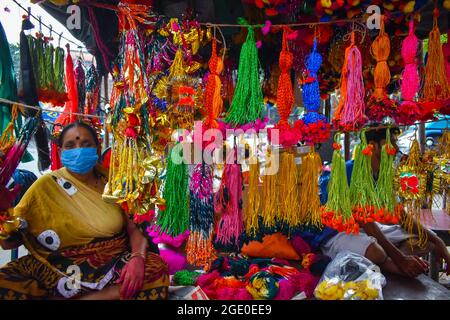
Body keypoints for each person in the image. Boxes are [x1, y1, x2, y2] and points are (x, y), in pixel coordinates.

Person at [0, 121, 169, 300]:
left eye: (86, 144)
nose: (78, 150)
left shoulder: (113, 183)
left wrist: (137, 258)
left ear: (97, 149)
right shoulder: (45, 186)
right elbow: (8, 243)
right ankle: (109, 295)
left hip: (112, 262)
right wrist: (4, 213)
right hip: (56, 267)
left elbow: (134, 229)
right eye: (70, 145)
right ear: (60, 152)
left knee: (155, 269)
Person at [318, 126, 450, 278]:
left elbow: (401, 216)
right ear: (373, 146)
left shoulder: (383, 173)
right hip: (335, 233)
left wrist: (438, 240)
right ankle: (387, 263)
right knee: (376, 253)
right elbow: (366, 222)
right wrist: (399, 259)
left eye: (395, 143)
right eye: (391, 143)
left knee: (425, 242)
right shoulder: (351, 171)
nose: (395, 148)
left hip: (365, 230)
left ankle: (386, 261)